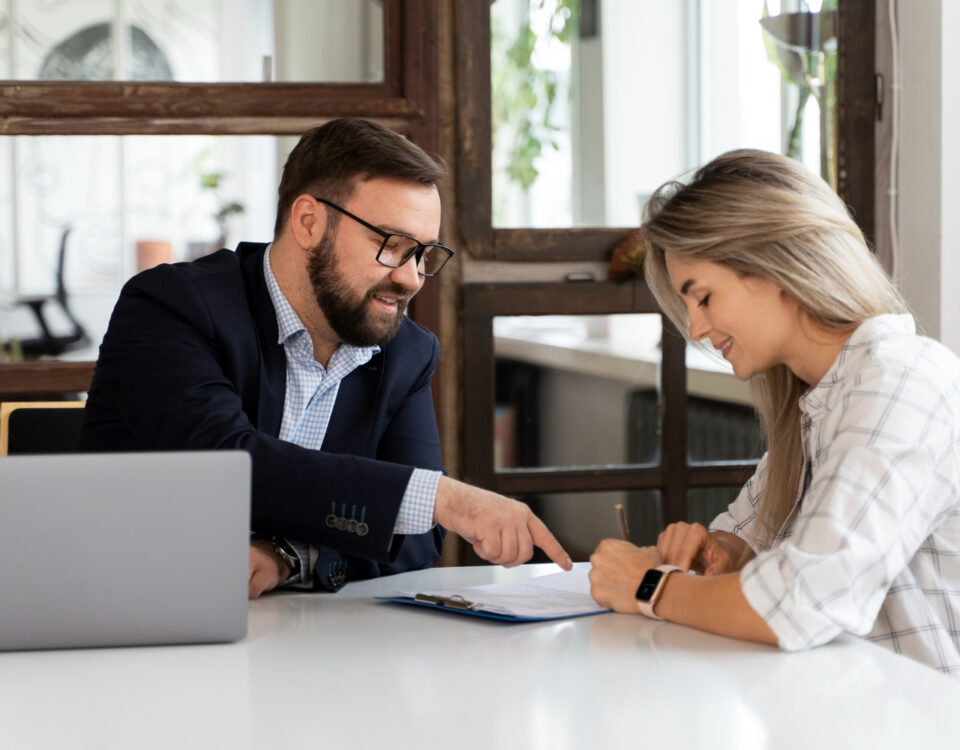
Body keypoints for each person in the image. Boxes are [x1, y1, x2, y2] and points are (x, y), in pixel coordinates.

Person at [81, 118, 571, 598]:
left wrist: (290, 557)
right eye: (391, 245)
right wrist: (440, 496)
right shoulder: (171, 306)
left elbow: (420, 538)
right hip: (131, 607)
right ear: (309, 222)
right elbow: (224, 464)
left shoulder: (407, 351)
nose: (411, 278)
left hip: (305, 634)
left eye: (423, 254)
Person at [588, 149, 960, 675]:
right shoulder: (818, 404)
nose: (696, 329)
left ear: (773, 267)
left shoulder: (899, 383)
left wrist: (650, 587)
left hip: (919, 713)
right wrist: (718, 552)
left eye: (703, 297)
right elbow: (745, 540)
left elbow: (802, 601)